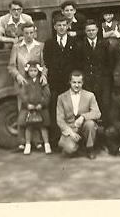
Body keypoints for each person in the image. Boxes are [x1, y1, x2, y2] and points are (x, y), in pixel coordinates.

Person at [43, 13, 82, 145]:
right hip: (55, 84)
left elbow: (78, 63)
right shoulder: (49, 44)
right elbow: (47, 63)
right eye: (58, 25)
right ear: (54, 27)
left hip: (69, 84)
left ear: (68, 26)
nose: (61, 28)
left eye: (64, 25)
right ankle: (55, 140)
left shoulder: (74, 42)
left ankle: (73, 138)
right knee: (55, 111)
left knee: (72, 111)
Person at [7, 22, 46, 149]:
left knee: (37, 111)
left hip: (36, 85)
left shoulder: (40, 46)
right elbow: (11, 66)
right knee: (23, 112)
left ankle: (37, 141)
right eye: (26, 33)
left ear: (34, 32)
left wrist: (44, 76)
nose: (29, 36)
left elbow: (44, 65)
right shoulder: (17, 47)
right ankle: (22, 141)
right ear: (22, 34)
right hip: (23, 85)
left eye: (31, 33)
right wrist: (18, 76)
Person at [56, 70, 101, 159]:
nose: (77, 85)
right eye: (74, 82)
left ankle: (89, 148)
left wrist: (83, 117)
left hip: (84, 126)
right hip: (71, 129)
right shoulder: (61, 97)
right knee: (69, 150)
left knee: (90, 124)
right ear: (70, 82)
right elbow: (60, 120)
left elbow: (97, 113)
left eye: (79, 82)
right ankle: (77, 146)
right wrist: (70, 133)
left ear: (83, 82)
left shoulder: (90, 95)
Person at [17, 60, 52, 155]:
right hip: (29, 108)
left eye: (35, 71)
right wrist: (27, 104)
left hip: (41, 107)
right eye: (31, 71)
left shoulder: (42, 81)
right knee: (29, 126)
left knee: (43, 126)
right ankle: (27, 144)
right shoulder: (26, 82)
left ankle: (47, 144)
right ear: (28, 72)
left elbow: (47, 94)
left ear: (38, 71)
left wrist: (42, 104)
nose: (33, 73)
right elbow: (23, 94)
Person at [79, 19, 112, 114]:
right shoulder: (80, 46)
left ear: (97, 30)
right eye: (88, 30)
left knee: (105, 104)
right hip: (88, 80)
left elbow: (109, 62)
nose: (91, 32)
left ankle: (105, 126)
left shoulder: (105, 44)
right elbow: (79, 64)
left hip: (103, 79)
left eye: (93, 30)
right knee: (90, 105)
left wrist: (106, 77)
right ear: (85, 31)